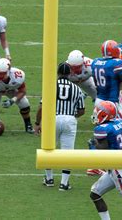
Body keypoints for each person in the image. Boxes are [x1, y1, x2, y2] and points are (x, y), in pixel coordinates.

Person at [34, 62, 85, 191]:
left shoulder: (50, 86)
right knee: (68, 153)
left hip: (52, 119)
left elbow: (42, 107)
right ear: (70, 73)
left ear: (57, 73)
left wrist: (37, 123)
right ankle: (64, 183)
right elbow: (81, 110)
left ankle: (49, 179)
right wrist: (71, 117)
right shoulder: (77, 88)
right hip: (69, 119)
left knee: (48, 149)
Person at [89, 40, 122, 176]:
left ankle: (93, 164)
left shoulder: (95, 62)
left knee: (100, 133)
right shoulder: (116, 63)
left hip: (99, 100)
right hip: (111, 103)